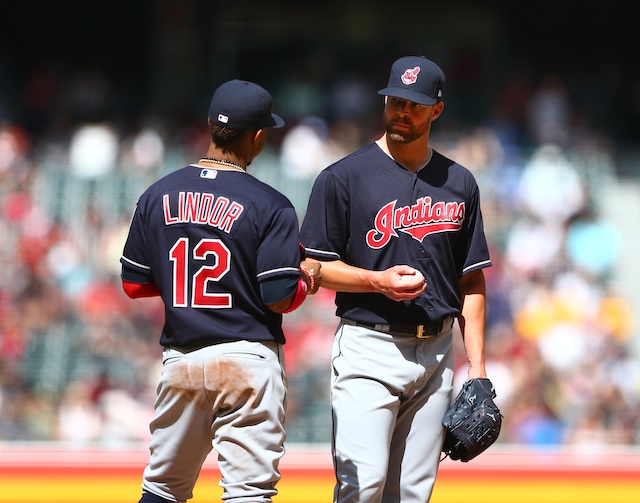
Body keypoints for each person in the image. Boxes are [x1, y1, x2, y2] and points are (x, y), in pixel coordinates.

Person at [299, 55, 492, 502]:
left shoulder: (460, 183)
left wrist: (478, 370)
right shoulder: (342, 177)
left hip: (438, 353)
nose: (402, 112)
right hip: (370, 346)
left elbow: (472, 281)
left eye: (415, 106)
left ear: (437, 110)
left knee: (410, 493)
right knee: (362, 485)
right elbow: (314, 268)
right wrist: (375, 281)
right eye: (395, 102)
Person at [120, 79, 322, 503]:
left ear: (211, 125)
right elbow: (278, 296)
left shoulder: (158, 194)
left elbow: (134, 284)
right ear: (259, 136)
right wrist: (305, 282)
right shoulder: (271, 204)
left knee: (162, 488)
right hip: (247, 359)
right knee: (247, 493)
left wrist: (180, 285)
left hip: (183, 358)